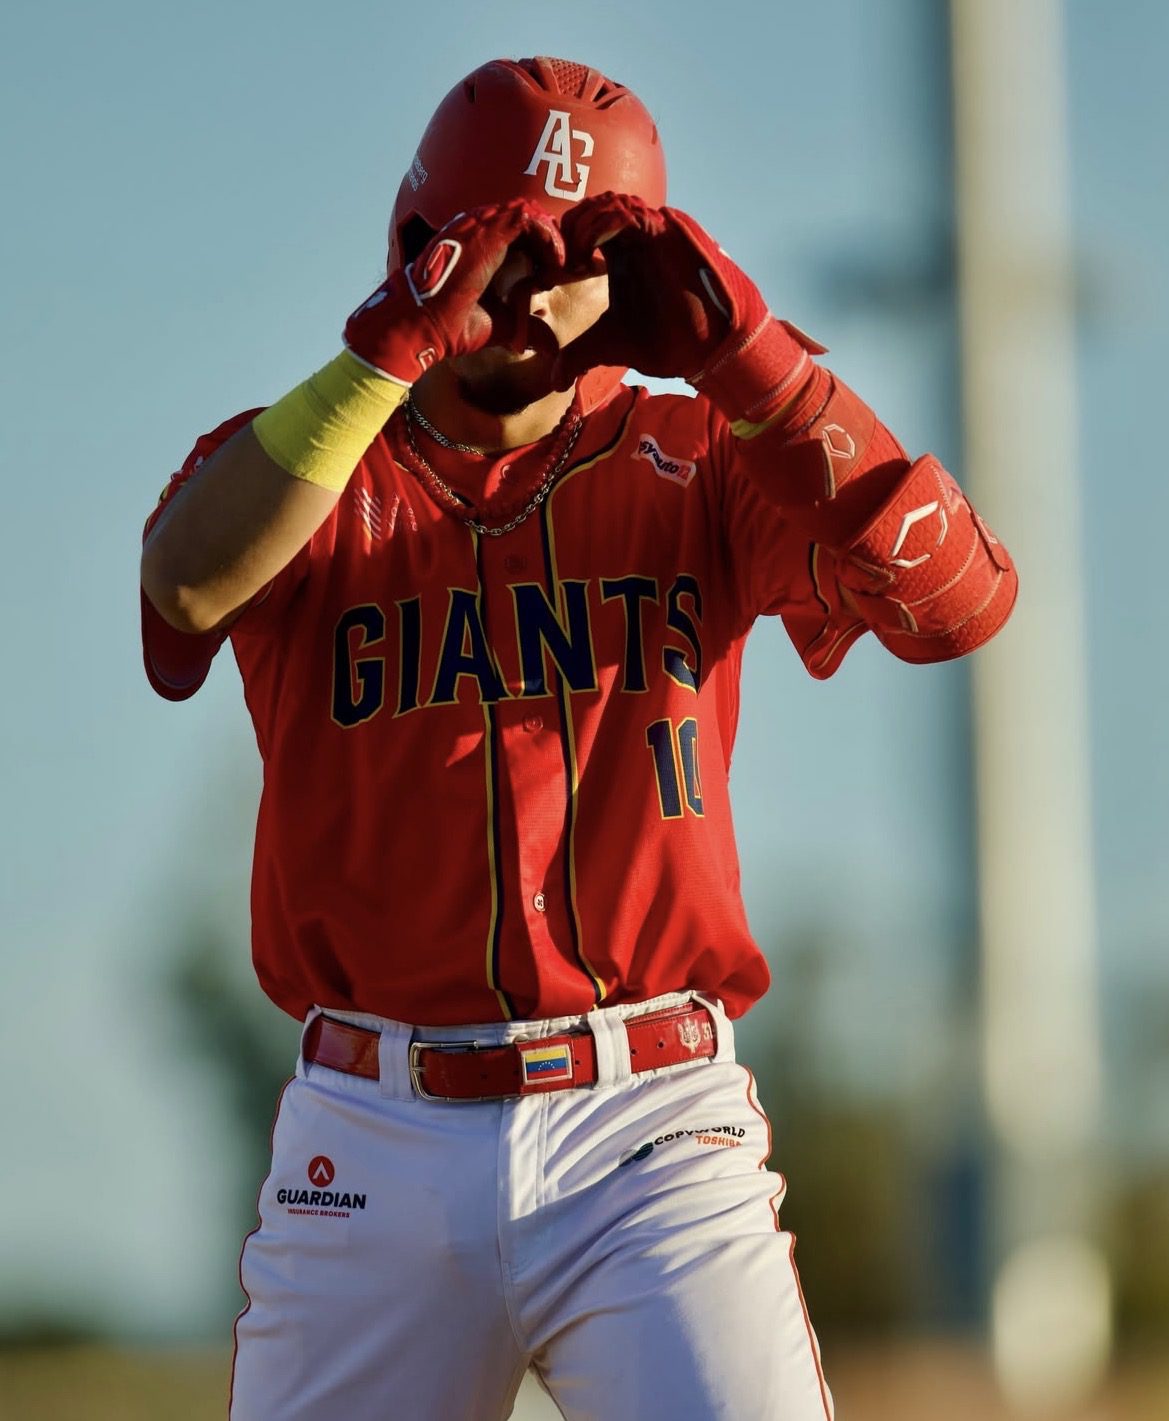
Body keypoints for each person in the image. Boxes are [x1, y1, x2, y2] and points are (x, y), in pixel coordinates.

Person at [140, 55, 1016, 1421]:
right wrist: (387, 346)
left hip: (650, 1126)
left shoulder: (701, 463)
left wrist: (757, 361)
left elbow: (955, 603)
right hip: (371, 1128)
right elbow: (184, 585)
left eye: (579, 251)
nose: (532, 292)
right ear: (416, 244)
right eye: (498, 245)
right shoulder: (307, 473)